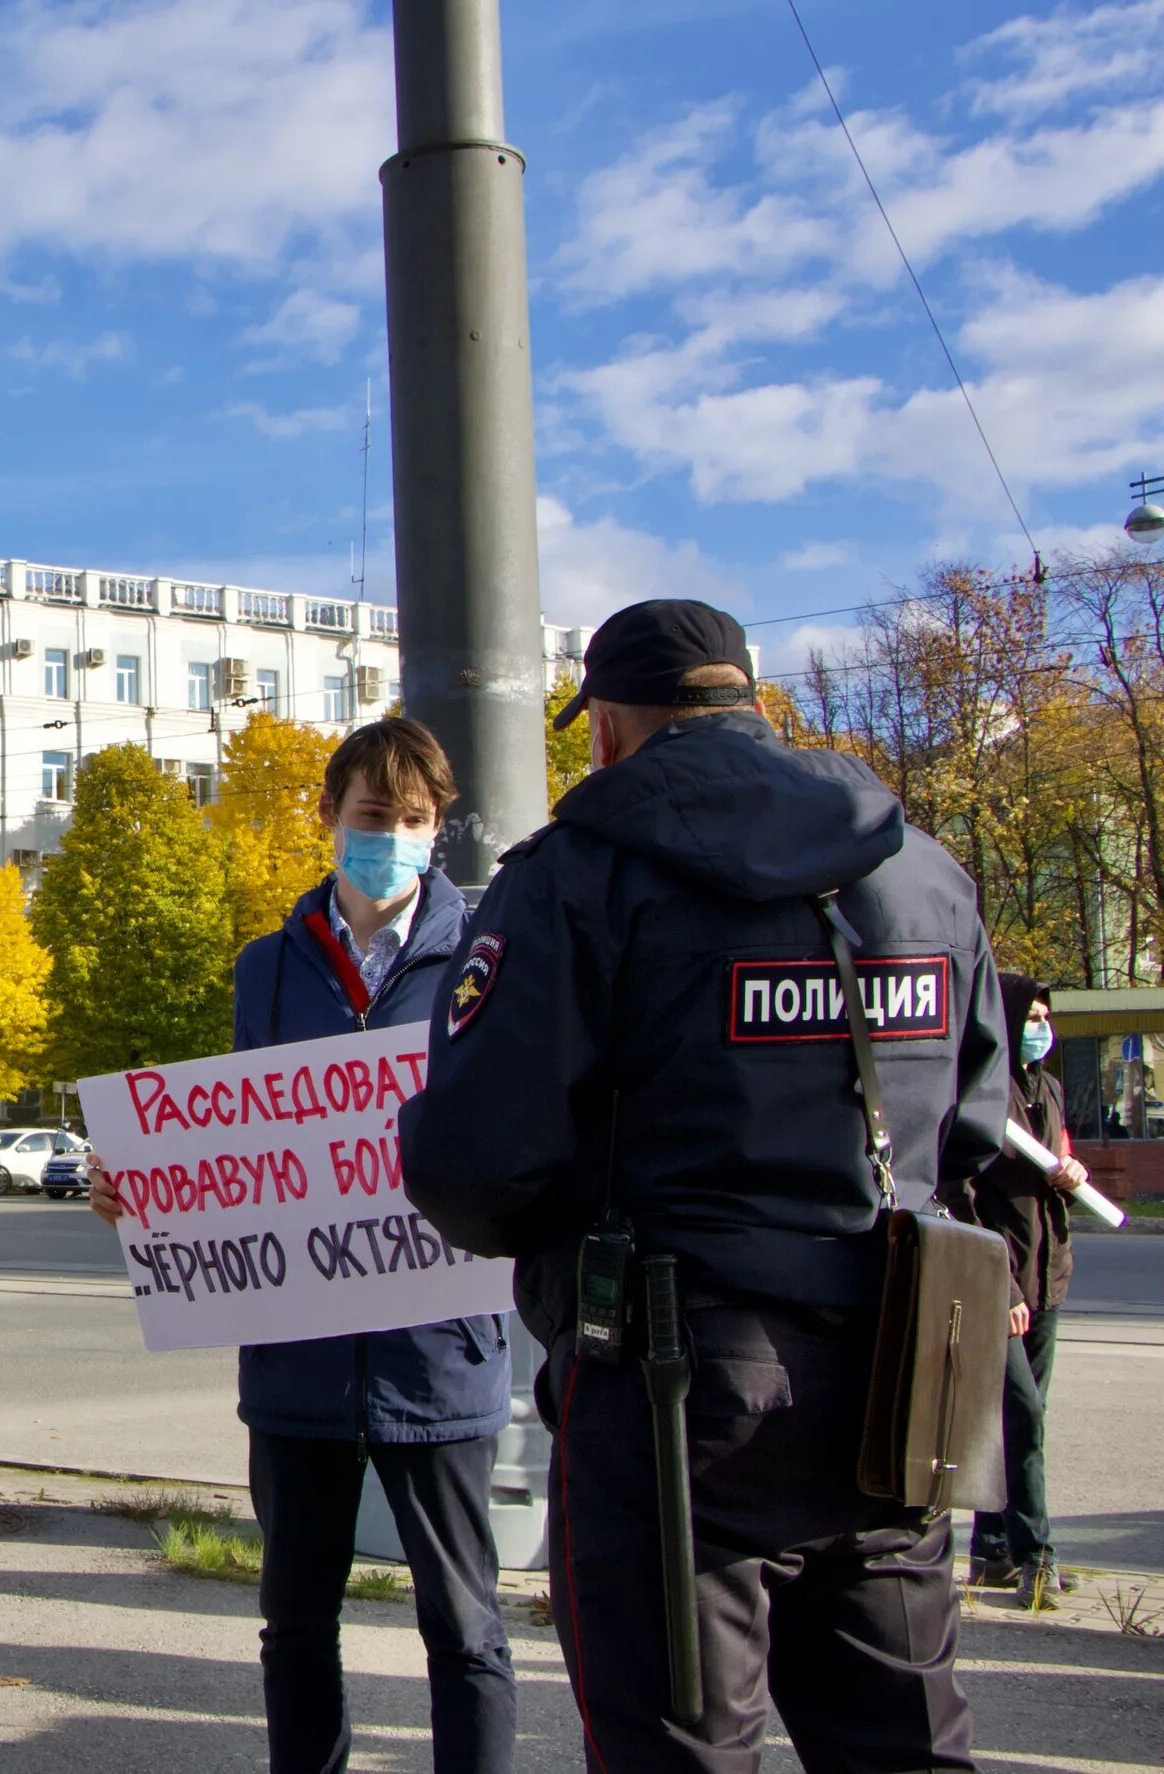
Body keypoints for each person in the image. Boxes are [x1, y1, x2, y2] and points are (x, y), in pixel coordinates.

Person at [400, 599, 1008, 1771]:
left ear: (611, 730)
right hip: (900, 1362)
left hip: (674, 1381)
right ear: (750, 701)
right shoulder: (925, 873)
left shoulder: (578, 876)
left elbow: (478, 1162)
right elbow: (974, 1124)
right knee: (901, 1740)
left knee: (677, 1746)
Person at [92, 717, 515, 1774]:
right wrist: (146, 1195)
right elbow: (238, 1146)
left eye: (414, 821)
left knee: (463, 1629)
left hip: (439, 1348)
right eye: (373, 818)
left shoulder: (489, 956)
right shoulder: (268, 969)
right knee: (295, 1623)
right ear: (327, 816)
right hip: (299, 1358)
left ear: (437, 827)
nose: (393, 839)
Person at [956, 975, 1083, 1606]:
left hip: (1047, 1274)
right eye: (1029, 1015)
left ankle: (991, 1550)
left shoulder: (1049, 1088)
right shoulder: (982, 1091)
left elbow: (1059, 1155)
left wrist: (1071, 1171)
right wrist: (1000, 1285)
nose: (1040, 1026)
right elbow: (963, 1195)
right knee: (1022, 1415)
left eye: (1045, 1016)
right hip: (1001, 1283)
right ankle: (1037, 1555)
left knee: (1014, 1420)